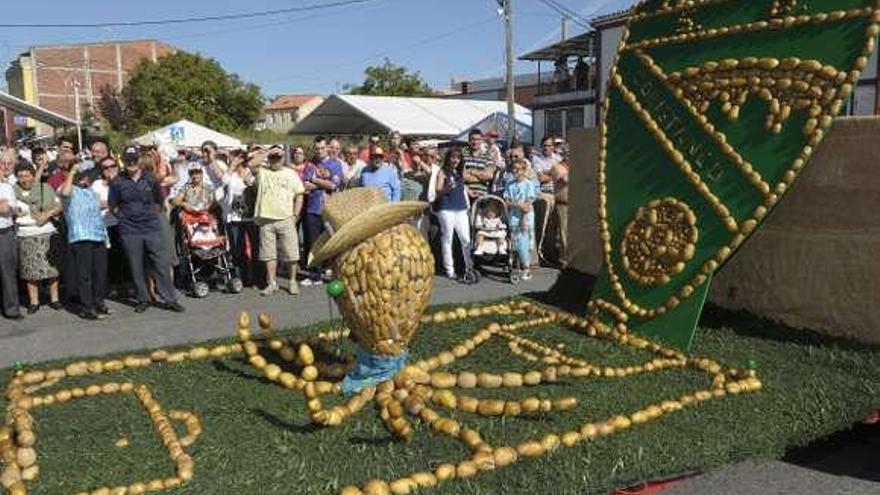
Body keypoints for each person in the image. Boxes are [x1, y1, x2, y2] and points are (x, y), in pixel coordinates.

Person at [108, 147, 184, 314]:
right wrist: (123, 217)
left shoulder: (150, 179)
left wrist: (150, 215)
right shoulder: (117, 182)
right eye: (128, 160)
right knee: (136, 265)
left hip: (151, 227)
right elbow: (112, 205)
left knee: (161, 263)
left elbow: (159, 200)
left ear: (139, 161)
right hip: (130, 230)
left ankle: (170, 299)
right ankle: (143, 298)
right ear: (124, 162)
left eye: (134, 159)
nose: (132, 163)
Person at [58, 162, 109, 320]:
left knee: (100, 273)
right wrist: (72, 171)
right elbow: (65, 193)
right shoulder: (66, 189)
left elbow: (103, 205)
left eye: (85, 175)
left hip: (98, 236)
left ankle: (98, 302)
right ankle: (87, 307)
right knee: (85, 275)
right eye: (80, 175)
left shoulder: (92, 192)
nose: (83, 178)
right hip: (80, 237)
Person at [253, 146, 305, 296]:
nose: (275, 160)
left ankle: (292, 281)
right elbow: (251, 165)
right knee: (268, 255)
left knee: (291, 253)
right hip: (266, 218)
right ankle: (272, 283)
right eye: (273, 158)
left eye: (278, 157)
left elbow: (299, 195)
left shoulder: (291, 174)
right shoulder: (263, 171)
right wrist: (267, 153)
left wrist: (295, 215)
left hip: (286, 217)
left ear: (283, 158)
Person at [13, 162, 63, 313]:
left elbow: (59, 206)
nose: (24, 179)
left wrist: (46, 214)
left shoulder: (45, 188)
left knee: (52, 269)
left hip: (46, 231)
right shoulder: (12, 191)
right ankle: (34, 302)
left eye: (27, 175)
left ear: (33, 175)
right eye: (20, 176)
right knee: (30, 271)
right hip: (25, 233)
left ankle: (55, 299)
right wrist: (14, 211)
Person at [301, 137, 343, 285]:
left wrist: (315, 181)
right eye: (317, 148)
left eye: (322, 148)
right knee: (313, 243)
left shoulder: (335, 164)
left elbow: (333, 185)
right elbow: (305, 185)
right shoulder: (311, 164)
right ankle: (314, 274)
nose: (320, 151)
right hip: (312, 209)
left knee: (331, 243)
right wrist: (320, 183)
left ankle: (333, 271)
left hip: (329, 209)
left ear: (327, 148)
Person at [434, 147, 474, 282]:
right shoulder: (442, 172)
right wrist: (447, 188)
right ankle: (450, 270)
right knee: (447, 238)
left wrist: (471, 193)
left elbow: (463, 185)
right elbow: (438, 191)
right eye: (453, 157)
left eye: (458, 157)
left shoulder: (460, 172)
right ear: (448, 158)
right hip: (446, 208)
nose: (455, 160)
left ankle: (469, 267)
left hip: (461, 207)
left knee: (465, 238)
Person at [217, 150, 255, 285]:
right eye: (232, 158)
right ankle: (240, 276)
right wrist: (232, 166)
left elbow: (253, 184)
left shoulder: (249, 171)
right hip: (233, 216)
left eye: (235, 158)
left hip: (249, 215)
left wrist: (244, 173)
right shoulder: (230, 174)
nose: (232, 160)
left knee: (254, 246)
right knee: (237, 248)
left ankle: (254, 276)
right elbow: (224, 181)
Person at [91, 156, 128, 294]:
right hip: (105, 226)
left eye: (113, 166)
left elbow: (126, 201)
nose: (110, 169)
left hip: (123, 223)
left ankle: (126, 284)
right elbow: (95, 203)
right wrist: (113, 203)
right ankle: (113, 285)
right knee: (110, 257)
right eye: (106, 167)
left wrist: (108, 203)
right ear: (101, 170)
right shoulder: (96, 185)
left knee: (125, 256)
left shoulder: (124, 181)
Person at [504, 159, 538, 280]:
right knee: (515, 242)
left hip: (525, 217)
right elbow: (507, 201)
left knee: (524, 242)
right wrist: (517, 205)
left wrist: (523, 218)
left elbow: (528, 204)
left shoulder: (529, 184)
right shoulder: (510, 184)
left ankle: (526, 267)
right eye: (513, 169)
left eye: (518, 169)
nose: (515, 172)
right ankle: (516, 265)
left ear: (524, 170)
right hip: (513, 216)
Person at [0, 177, 22, 319]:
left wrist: (5, 207)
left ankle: (12, 309)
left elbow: (8, 209)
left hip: (4, 232)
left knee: (7, 272)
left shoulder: (6, 187)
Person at [462, 129, 496, 198]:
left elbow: (489, 176)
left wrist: (471, 171)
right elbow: (463, 176)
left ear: (481, 141)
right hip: (465, 194)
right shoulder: (463, 156)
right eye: (473, 139)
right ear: (469, 141)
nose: (475, 142)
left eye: (478, 139)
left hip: (482, 195)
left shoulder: (487, 157)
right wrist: (481, 178)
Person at [551, 155, 570, 265]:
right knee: (564, 233)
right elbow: (564, 179)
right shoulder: (557, 167)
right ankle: (565, 259)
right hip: (563, 203)